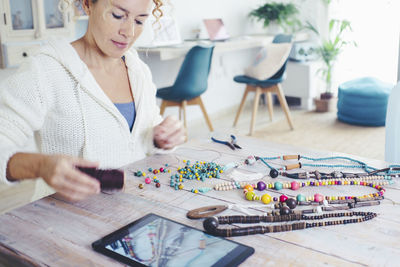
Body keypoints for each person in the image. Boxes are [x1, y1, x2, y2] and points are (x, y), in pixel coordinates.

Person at [0, 0, 185, 202]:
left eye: (140, 20)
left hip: (132, 213)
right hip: (66, 224)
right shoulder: (44, 71)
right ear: (88, 4)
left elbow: (139, 138)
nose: (129, 32)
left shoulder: (139, 71)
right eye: (117, 15)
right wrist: (40, 166)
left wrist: (161, 137)